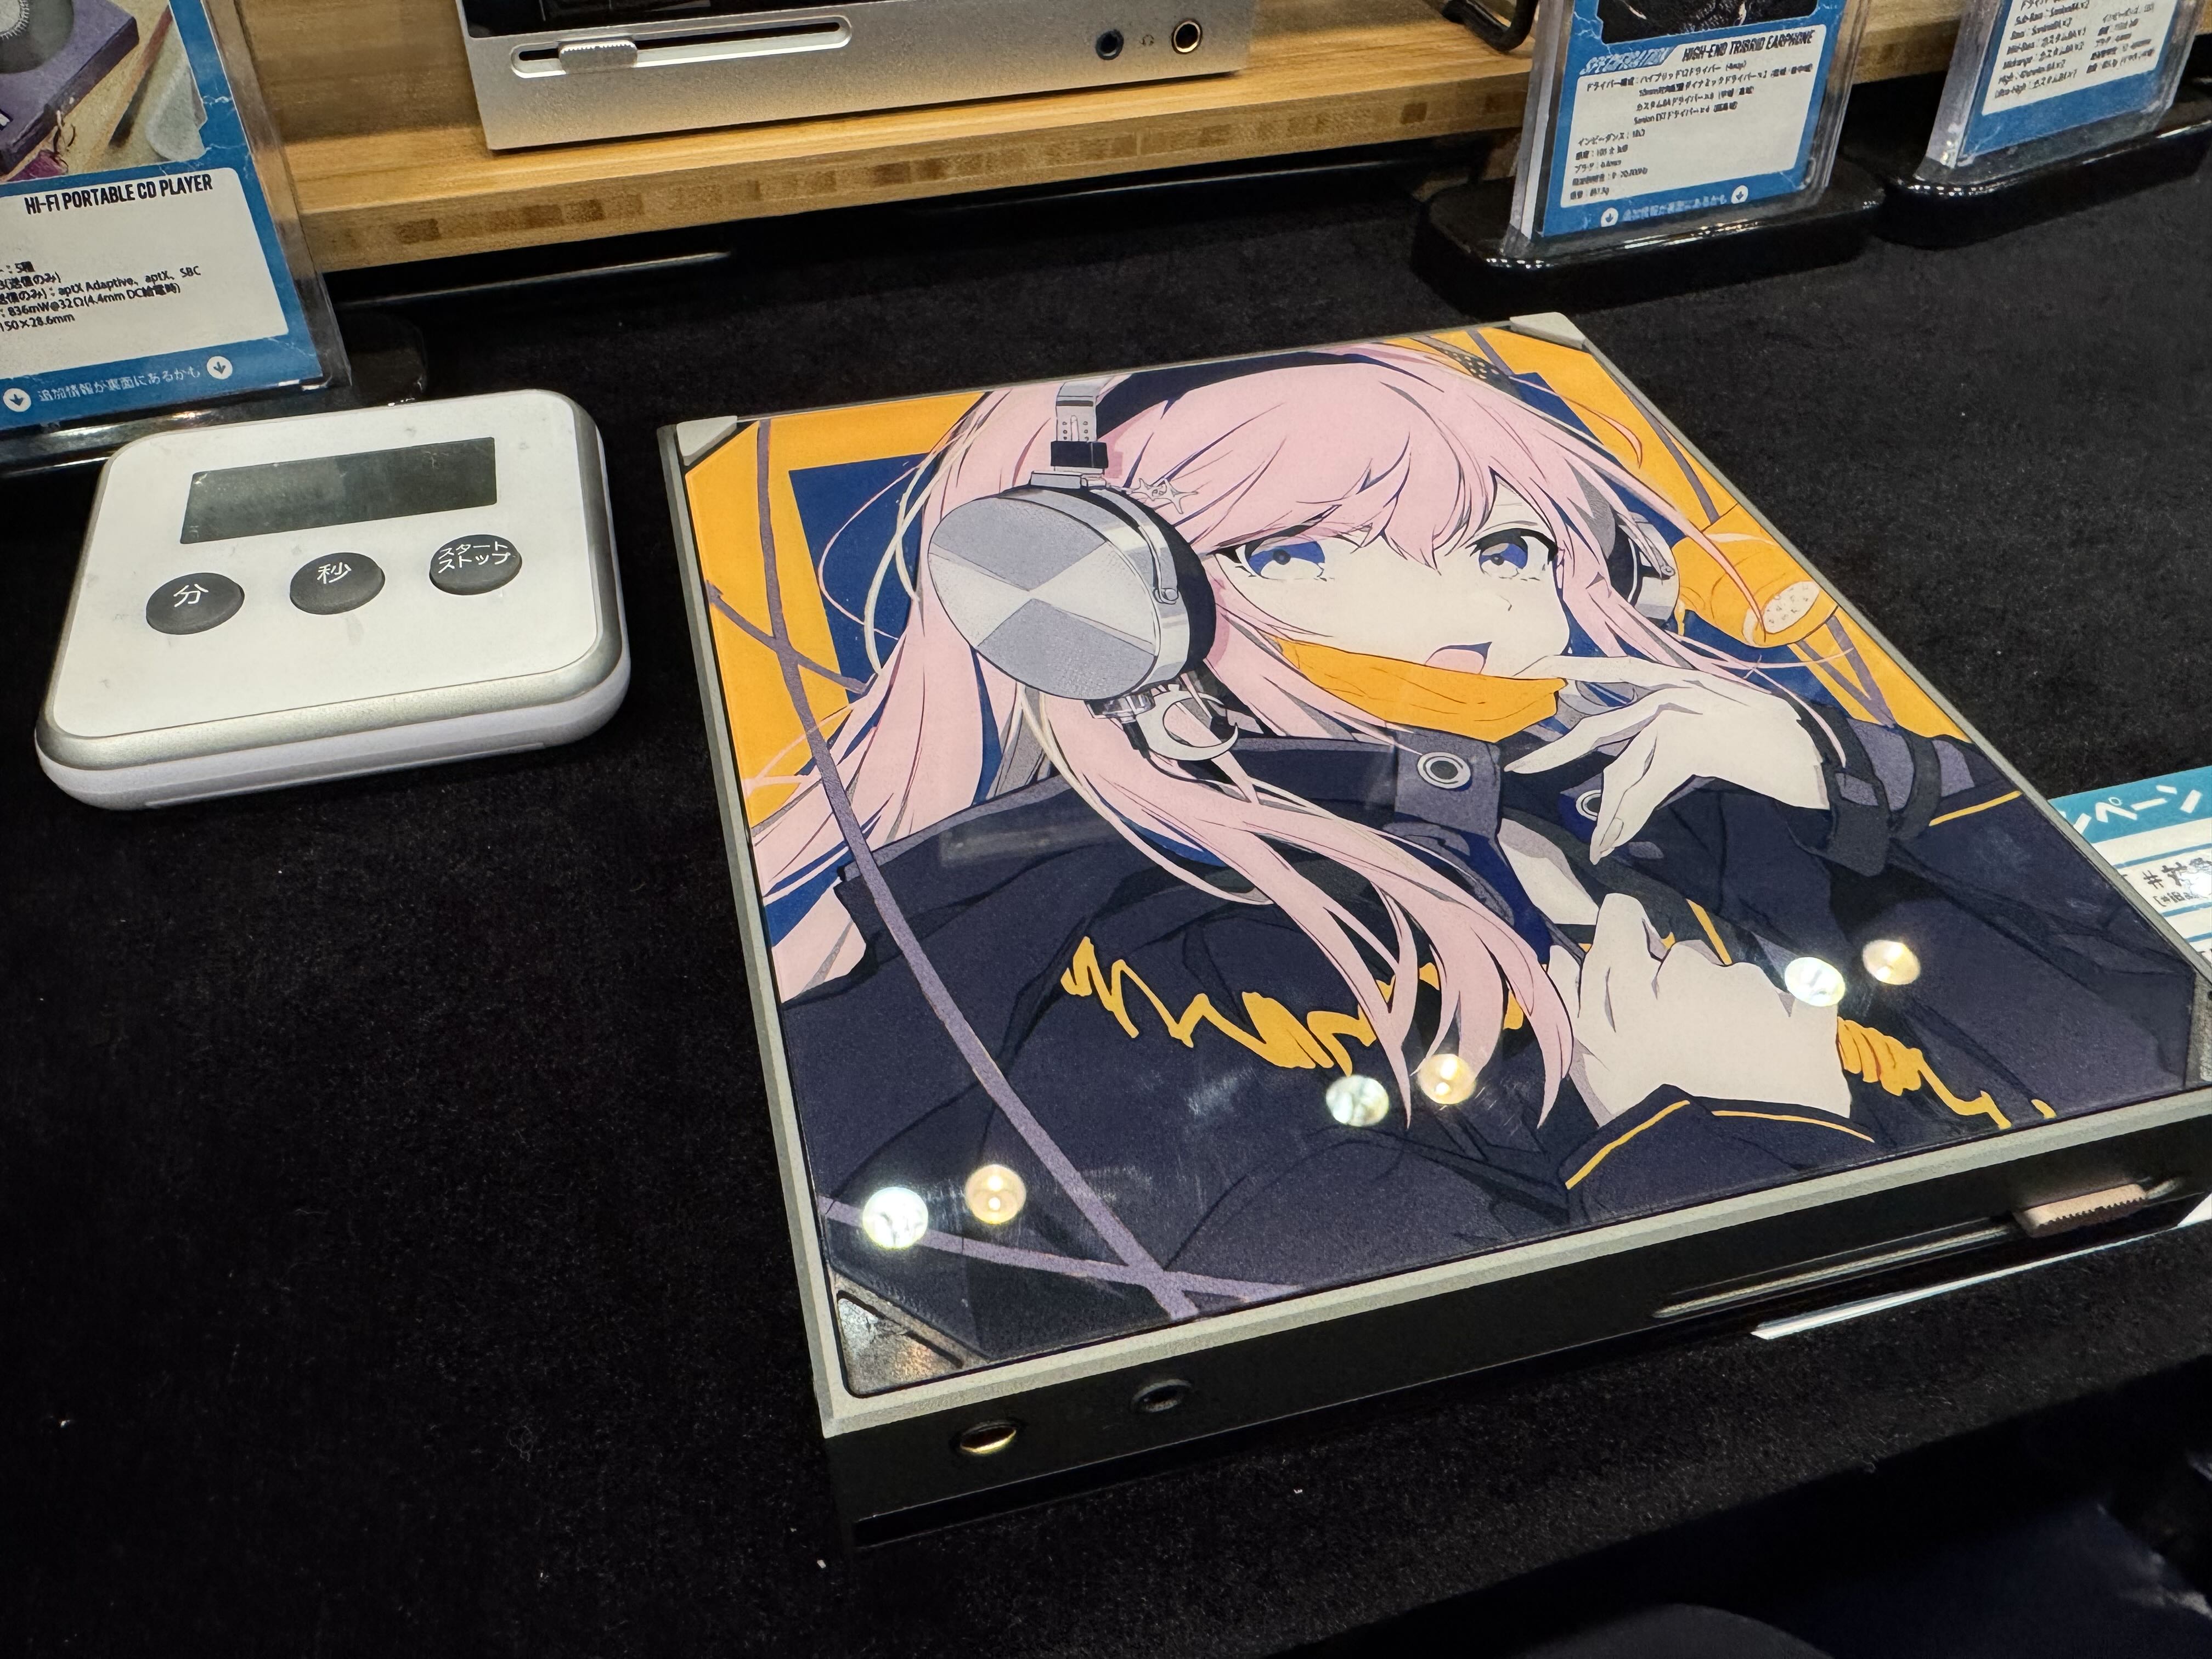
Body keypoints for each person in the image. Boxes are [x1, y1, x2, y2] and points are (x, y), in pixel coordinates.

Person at [744, 340, 2196, 1374]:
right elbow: (1397, 1338)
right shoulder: (1125, 958)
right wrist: (1717, 1117)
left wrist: (1855, 779)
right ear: (1102, 620)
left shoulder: (1634, 788)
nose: (1460, 615)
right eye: (1302, 553)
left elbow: (2147, 1028)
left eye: (1505, 552)